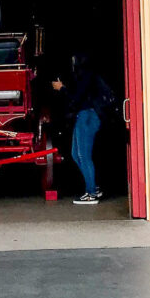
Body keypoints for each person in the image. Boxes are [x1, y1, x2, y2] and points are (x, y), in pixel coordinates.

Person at [52, 53, 116, 205]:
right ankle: (93, 186)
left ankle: (91, 193)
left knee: (83, 155)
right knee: (76, 154)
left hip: (87, 115)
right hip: (85, 116)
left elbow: (76, 99)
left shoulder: (85, 76)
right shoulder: (89, 76)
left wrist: (62, 89)